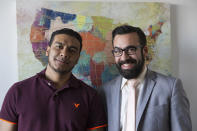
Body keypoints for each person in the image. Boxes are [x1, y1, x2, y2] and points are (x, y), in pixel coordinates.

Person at [0, 28, 107, 131]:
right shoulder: (17, 91)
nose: (64, 54)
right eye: (59, 46)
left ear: (78, 58)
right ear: (48, 50)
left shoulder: (90, 97)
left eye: (72, 50)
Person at [99, 25, 192, 131]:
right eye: (118, 51)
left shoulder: (171, 87)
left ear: (145, 50)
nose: (124, 57)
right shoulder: (104, 91)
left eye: (131, 49)